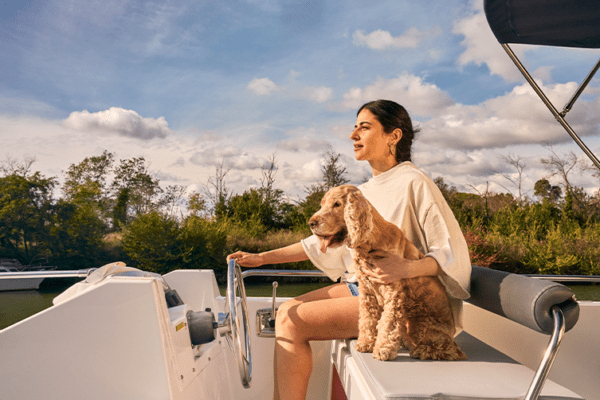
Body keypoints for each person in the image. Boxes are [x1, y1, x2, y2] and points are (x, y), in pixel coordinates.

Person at [227, 99, 471, 400]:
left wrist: (406, 268)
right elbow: (317, 245)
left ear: (393, 136)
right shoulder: (363, 192)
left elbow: (449, 251)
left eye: (364, 127)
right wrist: (261, 258)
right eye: (354, 127)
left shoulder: (415, 182)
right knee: (286, 311)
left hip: (403, 302)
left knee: (291, 321)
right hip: (363, 288)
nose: (353, 135)